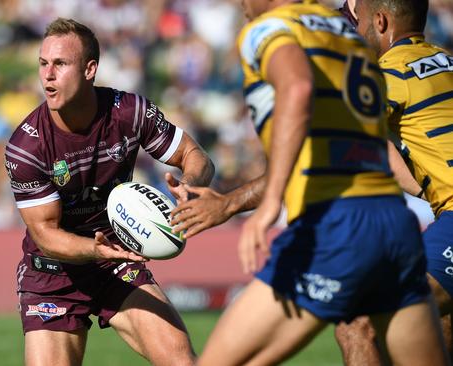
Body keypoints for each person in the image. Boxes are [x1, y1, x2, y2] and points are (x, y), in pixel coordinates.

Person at [169, 0, 449, 365]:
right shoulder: (349, 41)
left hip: (336, 225)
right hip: (394, 223)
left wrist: (267, 203)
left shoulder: (271, 29)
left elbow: (299, 89)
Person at [4, 18, 214, 366]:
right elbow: (45, 234)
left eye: (60, 64)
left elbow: (195, 156)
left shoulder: (129, 113)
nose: (48, 75)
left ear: (90, 69)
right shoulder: (27, 147)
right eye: (43, 64)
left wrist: (192, 186)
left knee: (183, 362)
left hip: (116, 265)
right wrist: (96, 247)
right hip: (53, 273)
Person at [333, 0, 453, 364]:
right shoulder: (444, 60)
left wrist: (234, 201)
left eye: (356, 23)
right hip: (446, 215)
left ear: (381, 22)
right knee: (440, 327)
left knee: (360, 320)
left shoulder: (385, 73)